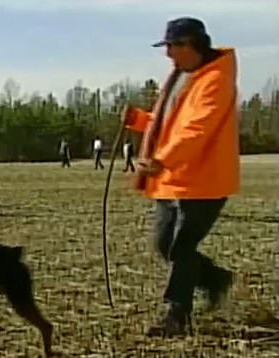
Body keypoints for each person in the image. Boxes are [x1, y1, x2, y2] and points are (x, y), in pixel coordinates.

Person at [122, 17, 239, 337]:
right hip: (174, 177)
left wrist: (161, 159)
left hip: (204, 180)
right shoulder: (181, 76)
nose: (168, 54)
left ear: (190, 45)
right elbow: (167, 124)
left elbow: (196, 130)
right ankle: (215, 279)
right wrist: (139, 120)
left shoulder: (215, 80)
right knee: (164, 245)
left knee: (182, 247)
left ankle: (177, 315)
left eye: (172, 46)